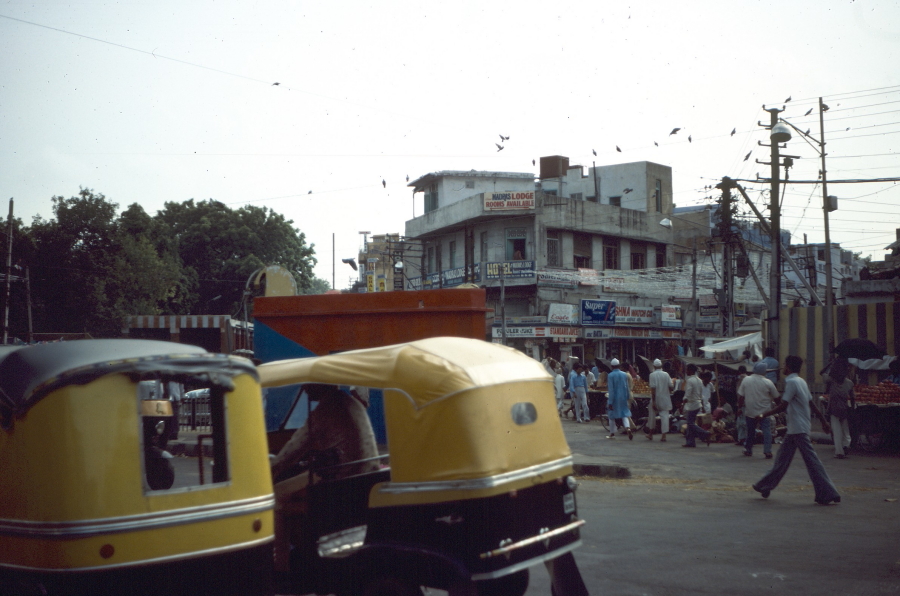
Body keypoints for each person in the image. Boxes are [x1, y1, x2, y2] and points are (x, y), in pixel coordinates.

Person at [270, 383, 380, 572]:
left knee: (276, 494)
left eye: (308, 384)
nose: (304, 389)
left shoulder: (325, 410)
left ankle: (281, 564)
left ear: (319, 385)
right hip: (362, 475)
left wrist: (270, 469)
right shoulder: (351, 402)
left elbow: (292, 450)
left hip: (340, 479)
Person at [752, 355, 841, 505]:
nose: (783, 368)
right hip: (796, 428)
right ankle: (764, 485)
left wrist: (763, 415)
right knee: (782, 459)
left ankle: (829, 492)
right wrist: (824, 421)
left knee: (812, 461)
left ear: (789, 367)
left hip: (798, 428)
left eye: (785, 365)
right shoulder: (801, 381)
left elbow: (783, 406)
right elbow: (811, 404)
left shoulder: (792, 383)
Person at [738, 362, 779, 458]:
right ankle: (767, 451)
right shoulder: (768, 382)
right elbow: (777, 397)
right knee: (767, 431)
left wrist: (739, 408)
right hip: (765, 412)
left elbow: (741, 397)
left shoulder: (746, 380)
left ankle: (748, 450)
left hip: (750, 411)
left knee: (750, 431)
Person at [822, 358, 856, 459]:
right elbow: (853, 398)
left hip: (836, 409)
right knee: (844, 431)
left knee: (838, 432)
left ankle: (840, 451)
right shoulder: (847, 383)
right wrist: (853, 408)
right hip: (842, 409)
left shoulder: (832, 380)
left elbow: (822, 373)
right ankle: (844, 447)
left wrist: (829, 364)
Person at [681, 364, 712, 447]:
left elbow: (688, 393)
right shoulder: (699, 380)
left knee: (690, 423)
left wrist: (683, 404)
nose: (686, 371)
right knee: (690, 423)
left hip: (692, 404)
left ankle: (705, 433)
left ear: (691, 371)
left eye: (687, 370)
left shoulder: (690, 380)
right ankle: (690, 442)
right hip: (697, 403)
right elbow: (701, 394)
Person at [647, 358, 674, 441]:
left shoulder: (652, 375)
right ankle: (664, 436)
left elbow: (653, 389)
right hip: (665, 399)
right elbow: (671, 387)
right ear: (661, 366)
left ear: (654, 366)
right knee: (665, 417)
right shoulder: (666, 374)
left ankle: (651, 434)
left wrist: (654, 402)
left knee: (652, 416)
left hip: (656, 399)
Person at [606, 358, 633, 439]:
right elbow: (627, 387)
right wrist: (627, 396)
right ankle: (628, 428)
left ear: (611, 366)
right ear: (619, 366)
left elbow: (611, 390)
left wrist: (610, 402)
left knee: (611, 415)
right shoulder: (624, 374)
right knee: (624, 414)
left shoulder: (610, 375)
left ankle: (612, 433)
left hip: (614, 398)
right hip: (623, 397)